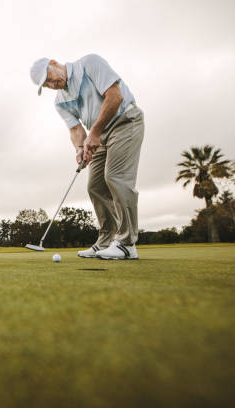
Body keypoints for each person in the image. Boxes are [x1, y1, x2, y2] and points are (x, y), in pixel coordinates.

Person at [30, 54, 144, 260]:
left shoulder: (89, 63)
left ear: (54, 63)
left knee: (115, 177)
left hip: (126, 122)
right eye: (46, 85)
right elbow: (75, 130)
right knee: (95, 186)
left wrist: (95, 132)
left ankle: (127, 243)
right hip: (99, 135)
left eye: (49, 77)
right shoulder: (60, 102)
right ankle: (107, 241)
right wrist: (80, 149)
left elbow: (115, 96)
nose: (51, 84)